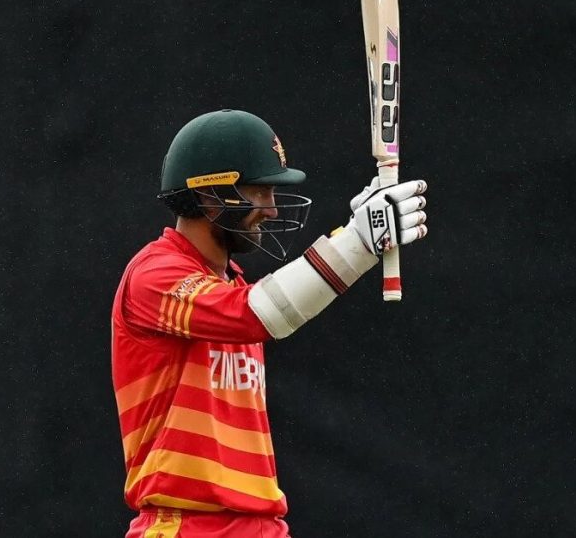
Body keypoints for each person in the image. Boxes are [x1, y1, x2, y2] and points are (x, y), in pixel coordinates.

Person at [111, 109, 429, 538]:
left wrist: (353, 235)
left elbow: (263, 304)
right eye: (260, 191)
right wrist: (357, 243)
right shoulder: (154, 275)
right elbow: (256, 313)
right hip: (186, 527)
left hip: (262, 527)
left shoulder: (231, 283)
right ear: (210, 197)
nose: (272, 209)